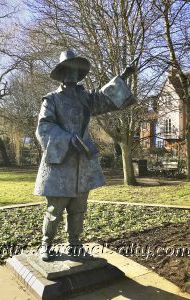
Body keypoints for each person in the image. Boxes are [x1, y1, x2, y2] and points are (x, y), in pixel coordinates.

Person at [34, 50, 136, 261]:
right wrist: (68, 139)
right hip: (60, 163)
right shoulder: (51, 100)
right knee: (55, 208)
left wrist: (124, 75)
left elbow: (104, 97)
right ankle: (46, 244)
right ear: (62, 72)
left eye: (76, 70)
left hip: (82, 162)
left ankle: (74, 244)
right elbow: (43, 128)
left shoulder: (84, 98)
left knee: (78, 208)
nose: (73, 73)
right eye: (69, 69)